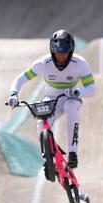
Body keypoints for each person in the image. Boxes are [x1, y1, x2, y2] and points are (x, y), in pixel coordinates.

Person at [7, 29, 96, 169]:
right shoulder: (43, 63)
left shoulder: (80, 63)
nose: (60, 57)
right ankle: (48, 156)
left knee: (70, 106)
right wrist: (13, 94)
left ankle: (73, 153)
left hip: (71, 98)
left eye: (64, 53)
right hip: (51, 99)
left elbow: (92, 90)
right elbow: (20, 79)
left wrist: (76, 91)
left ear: (71, 51)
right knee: (41, 123)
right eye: (57, 53)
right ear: (52, 51)